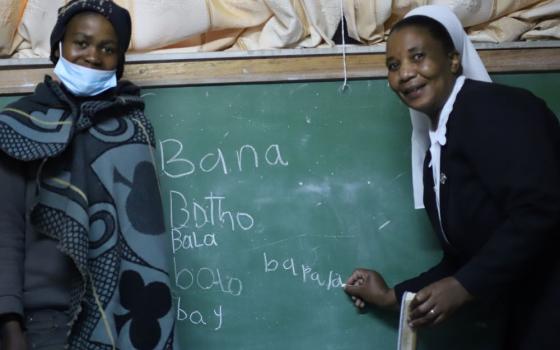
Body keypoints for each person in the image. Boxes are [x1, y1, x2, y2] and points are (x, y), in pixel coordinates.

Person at [344, 5, 560, 350]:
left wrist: (464, 286)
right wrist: (391, 296)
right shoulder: (439, 147)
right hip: (526, 314)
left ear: (453, 60)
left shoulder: (499, 110)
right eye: (393, 65)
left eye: (418, 57)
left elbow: (542, 210)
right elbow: (468, 256)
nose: (405, 74)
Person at [0, 1, 176, 349]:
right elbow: (5, 231)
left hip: (124, 321)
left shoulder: (133, 128)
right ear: (59, 47)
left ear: (119, 60)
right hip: (42, 325)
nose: (93, 56)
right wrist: (9, 325)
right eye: (81, 42)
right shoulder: (17, 126)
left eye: (107, 49)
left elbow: (146, 240)